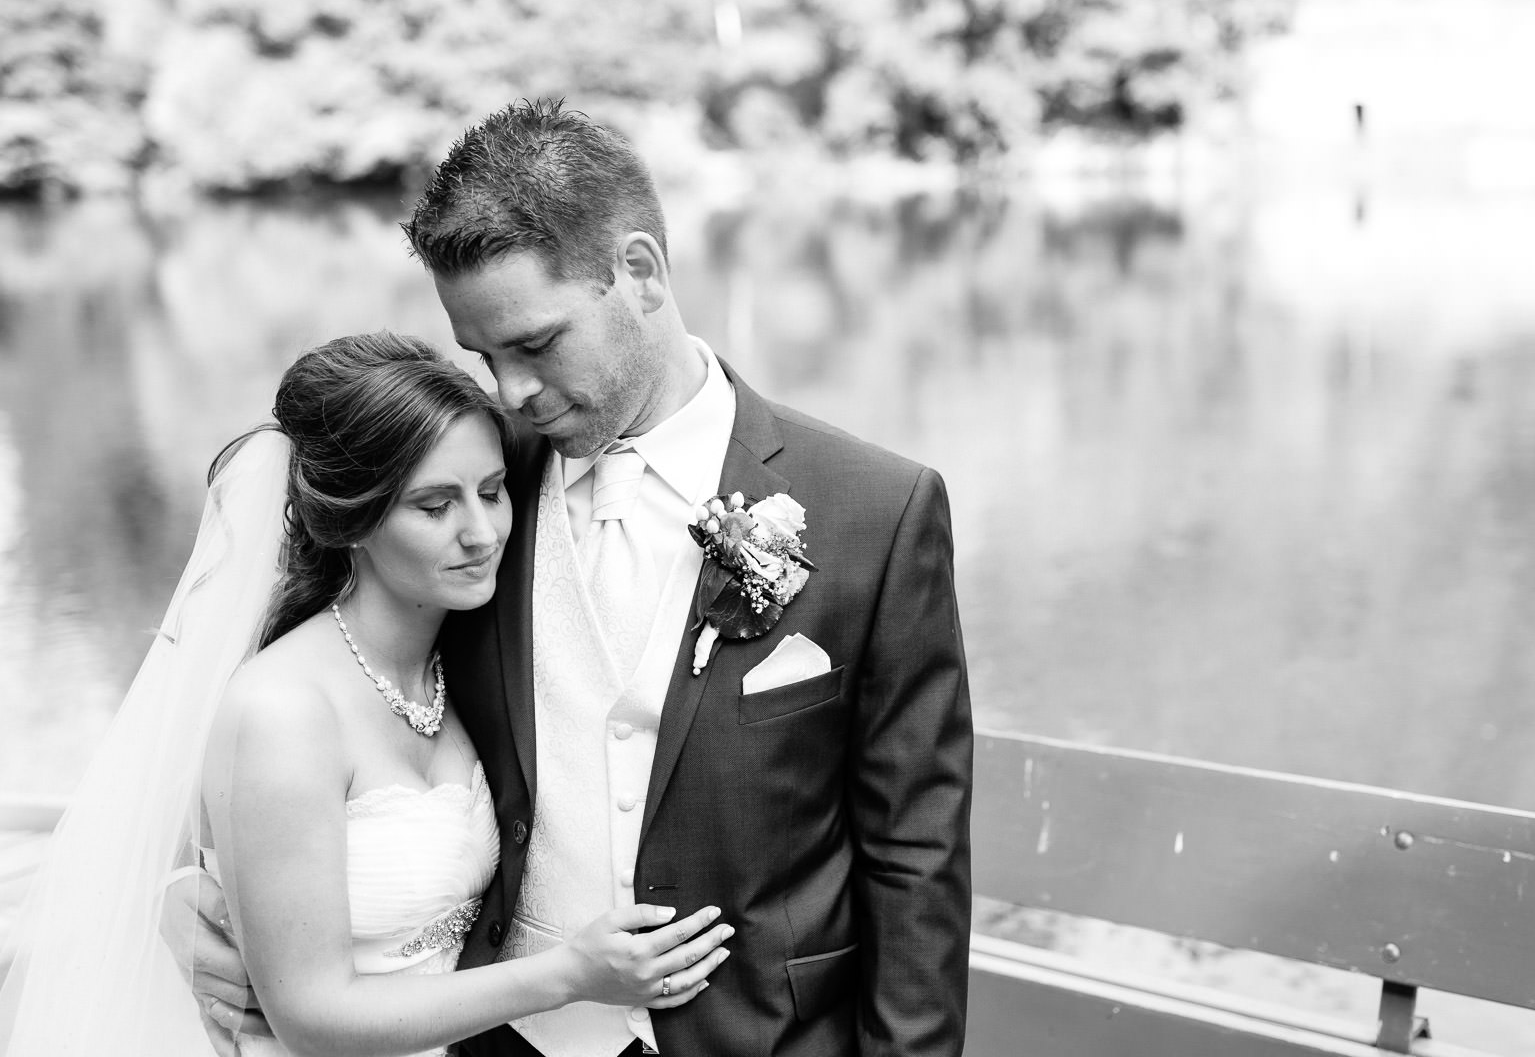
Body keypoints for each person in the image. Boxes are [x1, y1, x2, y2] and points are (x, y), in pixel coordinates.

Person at [190, 100, 974, 1057]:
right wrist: (198, 904)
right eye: (485, 356)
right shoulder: (474, 486)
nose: (511, 390)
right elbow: (291, 699)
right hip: (503, 1038)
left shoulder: (874, 510)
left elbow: (915, 852)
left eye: (535, 344)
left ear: (639, 272)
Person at [0, 333, 732, 1057]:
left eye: (490, 492)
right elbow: (311, 1017)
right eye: (435, 507)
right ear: (353, 519)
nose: (482, 533)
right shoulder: (284, 712)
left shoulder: (462, 656)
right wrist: (568, 975)